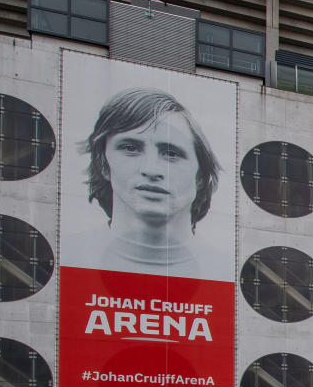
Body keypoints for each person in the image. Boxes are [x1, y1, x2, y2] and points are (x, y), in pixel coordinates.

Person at [65, 87, 229, 279]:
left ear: (201, 175)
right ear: (103, 164)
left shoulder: (225, 270)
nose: (151, 170)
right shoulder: (68, 255)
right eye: (130, 148)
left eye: (171, 153)